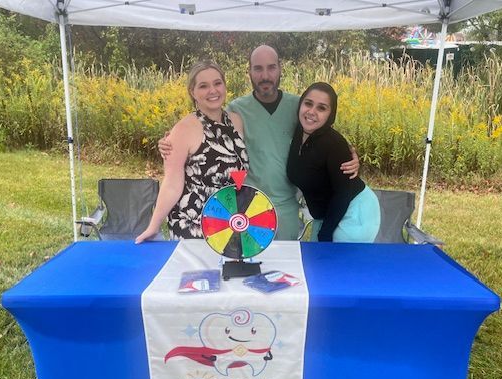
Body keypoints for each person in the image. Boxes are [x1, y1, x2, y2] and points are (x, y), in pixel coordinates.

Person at [160, 45, 359, 240]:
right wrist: (170, 142)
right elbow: (207, 132)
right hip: (246, 209)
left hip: (286, 209)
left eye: (271, 67)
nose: (265, 75)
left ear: (280, 69)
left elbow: (327, 137)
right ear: (249, 72)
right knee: (248, 267)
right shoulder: (236, 110)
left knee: (283, 269)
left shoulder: (299, 106)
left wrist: (351, 155)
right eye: (258, 68)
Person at [135, 60, 247, 243]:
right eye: (203, 86)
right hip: (195, 227)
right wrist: (153, 226)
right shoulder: (183, 129)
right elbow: (171, 184)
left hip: (230, 223)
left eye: (217, 83)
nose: (213, 90)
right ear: (192, 92)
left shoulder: (235, 121)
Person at [287, 82, 380, 242]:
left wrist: (326, 233)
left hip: (353, 209)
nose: (312, 112)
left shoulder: (334, 143)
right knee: (316, 260)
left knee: (334, 262)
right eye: (308, 103)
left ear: (331, 114)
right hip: (325, 214)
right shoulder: (298, 132)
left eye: (321, 108)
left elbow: (342, 193)